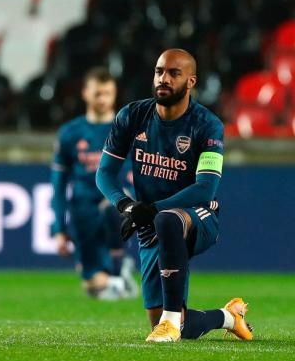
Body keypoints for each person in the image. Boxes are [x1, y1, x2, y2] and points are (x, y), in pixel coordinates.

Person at [95, 49, 253, 342]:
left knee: (168, 219)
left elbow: (206, 188)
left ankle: (169, 321)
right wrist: (128, 206)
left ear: (191, 81)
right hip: (150, 222)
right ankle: (228, 316)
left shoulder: (208, 125)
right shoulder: (132, 115)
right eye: (159, 72)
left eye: (173, 73)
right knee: (170, 325)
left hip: (198, 215)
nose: (163, 79)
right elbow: (104, 173)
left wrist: (152, 209)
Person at [51, 67, 137, 300]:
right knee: (94, 288)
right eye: (98, 93)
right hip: (83, 211)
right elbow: (58, 184)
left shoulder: (128, 128)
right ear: (85, 93)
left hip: (118, 205)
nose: (103, 99)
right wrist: (59, 228)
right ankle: (119, 273)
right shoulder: (70, 133)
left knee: (113, 209)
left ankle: (118, 267)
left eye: (108, 93)